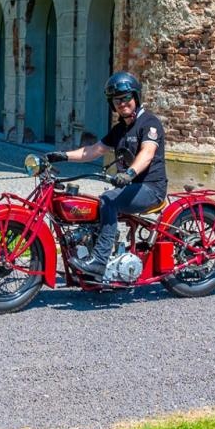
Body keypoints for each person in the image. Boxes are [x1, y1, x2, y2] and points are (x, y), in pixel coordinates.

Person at [46, 71, 168, 277]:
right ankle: (91, 254)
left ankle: (100, 261)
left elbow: (147, 153)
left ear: (135, 97)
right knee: (93, 206)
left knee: (108, 201)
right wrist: (62, 156)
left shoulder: (149, 123)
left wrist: (129, 173)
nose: (122, 103)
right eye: (116, 100)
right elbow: (93, 151)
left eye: (126, 97)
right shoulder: (120, 129)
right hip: (132, 187)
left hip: (151, 188)